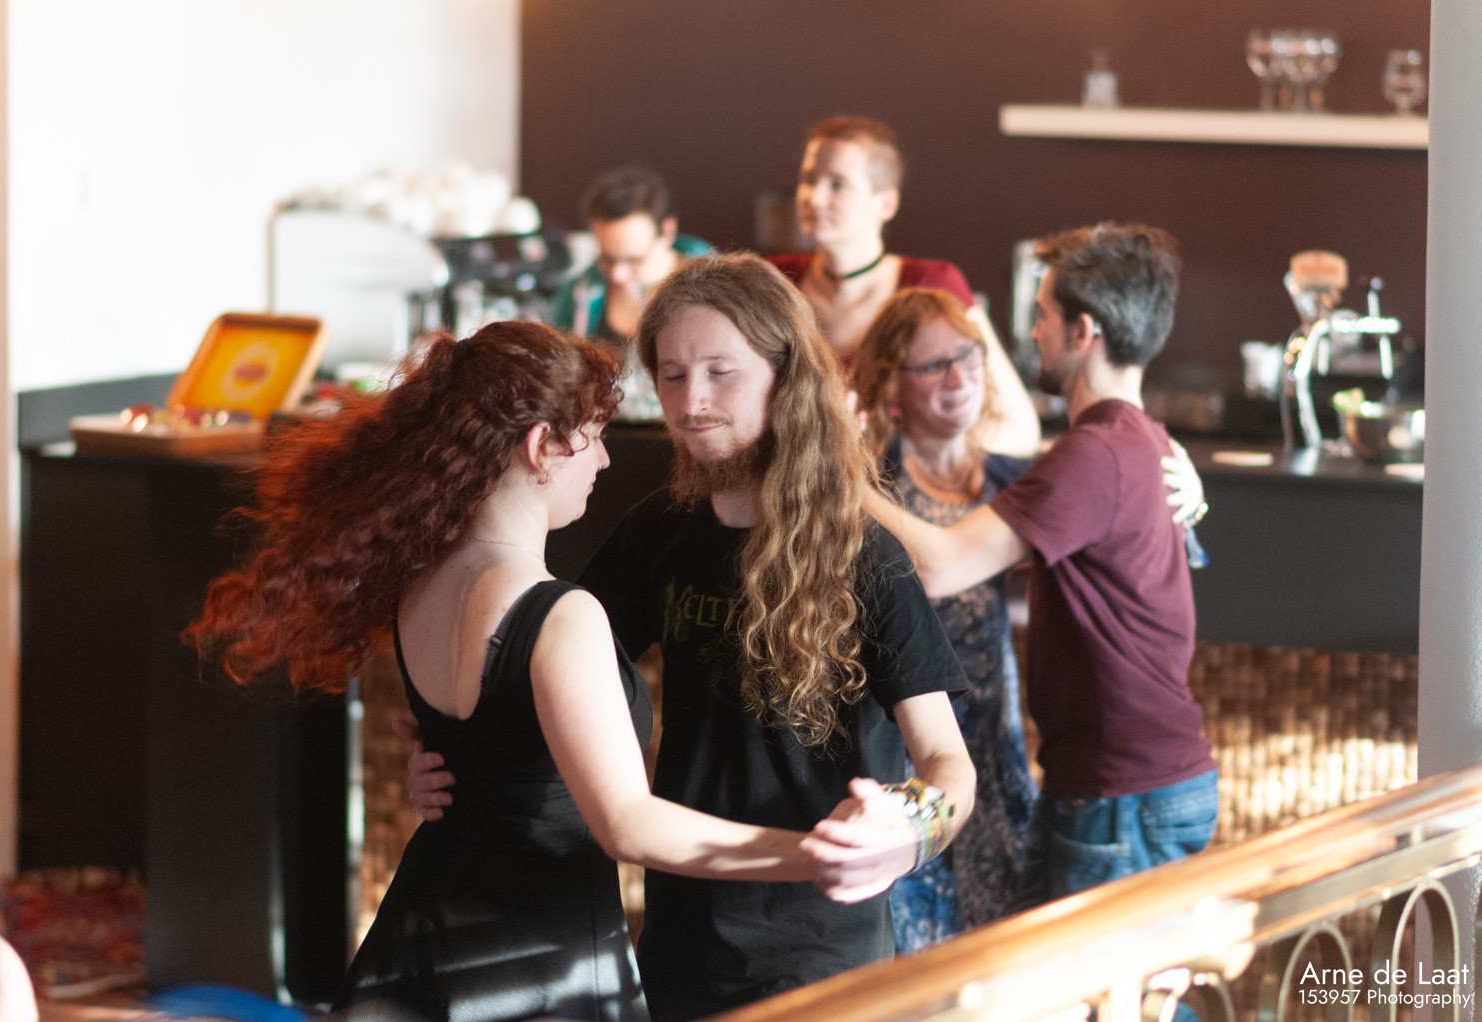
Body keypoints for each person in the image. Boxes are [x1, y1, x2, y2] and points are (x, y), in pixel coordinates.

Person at [186, 324, 903, 1022]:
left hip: (428, 930)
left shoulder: (420, 584)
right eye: (592, 437)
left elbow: (487, 745)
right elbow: (628, 825)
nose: (605, 461)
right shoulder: (562, 615)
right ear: (540, 447)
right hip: (532, 957)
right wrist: (817, 855)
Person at [413, 254, 977, 1022]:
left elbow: (948, 765)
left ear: (785, 377)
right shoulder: (659, 530)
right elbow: (535, 677)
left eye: (720, 373)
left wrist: (909, 832)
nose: (691, 401)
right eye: (672, 376)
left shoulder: (863, 554)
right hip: (678, 939)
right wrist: (439, 756)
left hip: (821, 949)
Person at [861, 223, 1218, 913]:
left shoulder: (1094, 454)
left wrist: (833, 476)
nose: (1032, 332)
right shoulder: (1139, 442)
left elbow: (938, 567)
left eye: (1043, 314)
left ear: (1083, 332)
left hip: (1121, 792)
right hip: (1111, 783)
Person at [851, 288, 1039, 949]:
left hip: (994, 745)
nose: (958, 379)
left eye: (968, 356)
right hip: (905, 752)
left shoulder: (1014, 478)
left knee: (999, 948)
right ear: (891, 386)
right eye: (933, 366)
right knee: (913, 946)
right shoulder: (871, 483)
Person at [768, 116, 1040, 457]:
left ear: (886, 204)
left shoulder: (931, 284)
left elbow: (1020, 429)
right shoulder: (774, 280)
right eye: (809, 180)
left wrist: (906, 445)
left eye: (837, 185)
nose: (815, 198)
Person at [555, 165, 714, 345]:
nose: (618, 275)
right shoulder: (577, 293)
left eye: (634, 260)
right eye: (607, 260)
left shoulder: (715, 287)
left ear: (667, 231)